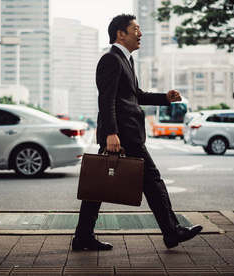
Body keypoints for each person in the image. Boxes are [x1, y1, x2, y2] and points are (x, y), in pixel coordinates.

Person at [72, 14, 202, 251]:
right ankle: (171, 231)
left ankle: (82, 237)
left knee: (98, 184)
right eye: (136, 29)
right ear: (121, 33)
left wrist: (165, 98)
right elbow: (107, 99)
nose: (140, 34)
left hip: (126, 134)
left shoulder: (126, 60)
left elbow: (136, 95)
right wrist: (111, 133)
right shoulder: (111, 60)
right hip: (123, 135)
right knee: (152, 180)